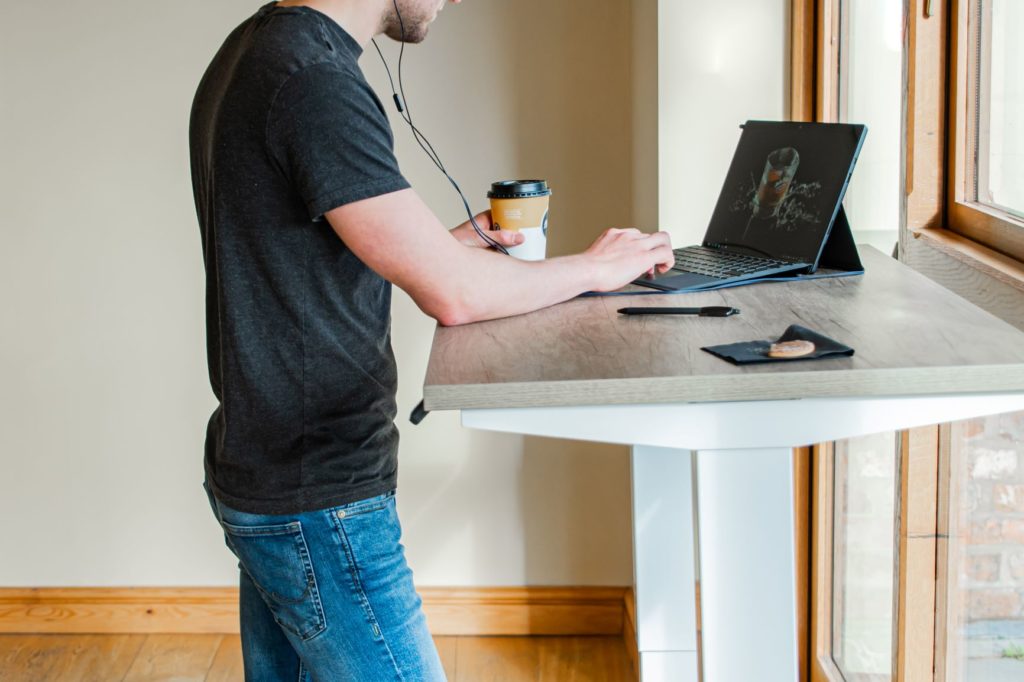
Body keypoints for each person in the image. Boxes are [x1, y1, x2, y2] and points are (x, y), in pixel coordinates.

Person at [189, 1, 673, 679]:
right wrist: (599, 268)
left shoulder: (260, 47)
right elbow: (454, 293)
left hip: (269, 473)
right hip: (316, 495)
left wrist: (446, 246)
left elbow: (318, 262)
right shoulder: (312, 79)